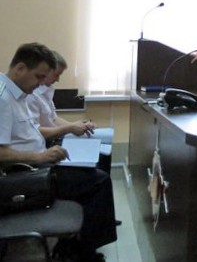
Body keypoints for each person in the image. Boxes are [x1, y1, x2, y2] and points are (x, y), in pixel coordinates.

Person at [0, 43, 116, 261]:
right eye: (38, 76)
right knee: (98, 181)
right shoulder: (3, 98)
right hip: (22, 175)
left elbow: (30, 133)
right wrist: (40, 156)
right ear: (20, 68)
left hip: (37, 165)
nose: (41, 83)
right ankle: (80, 252)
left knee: (91, 170)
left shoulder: (18, 95)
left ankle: (75, 244)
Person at [26, 50, 112, 174]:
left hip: (53, 140)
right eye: (56, 74)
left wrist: (79, 126)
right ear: (46, 71)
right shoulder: (30, 95)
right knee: (98, 165)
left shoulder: (46, 91)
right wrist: (70, 128)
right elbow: (35, 131)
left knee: (102, 154)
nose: (58, 79)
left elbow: (54, 119)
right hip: (47, 144)